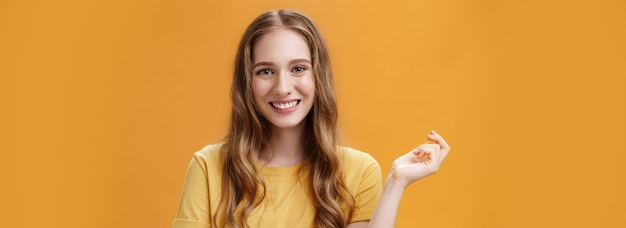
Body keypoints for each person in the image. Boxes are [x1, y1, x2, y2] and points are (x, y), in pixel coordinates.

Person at [172, 9, 451, 228]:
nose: (282, 87)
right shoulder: (208, 168)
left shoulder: (359, 171)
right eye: (265, 71)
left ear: (318, 76)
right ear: (248, 82)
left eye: (298, 68)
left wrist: (396, 182)